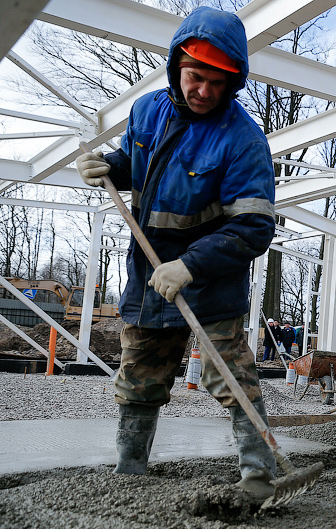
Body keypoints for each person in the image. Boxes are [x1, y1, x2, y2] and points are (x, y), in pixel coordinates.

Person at [75, 7, 278, 501]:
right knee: (140, 369)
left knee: (229, 373)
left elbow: (253, 227)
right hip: (147, 272)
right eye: (194, 76)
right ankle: (130, 467)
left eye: (216, 82)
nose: (204, 91)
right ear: (175, 68)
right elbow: (139, 165)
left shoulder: (243, 141)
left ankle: (259, 472)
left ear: (234, 83)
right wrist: (110, 167)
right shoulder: (147, 111)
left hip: (211, 279)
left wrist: (190, 266)